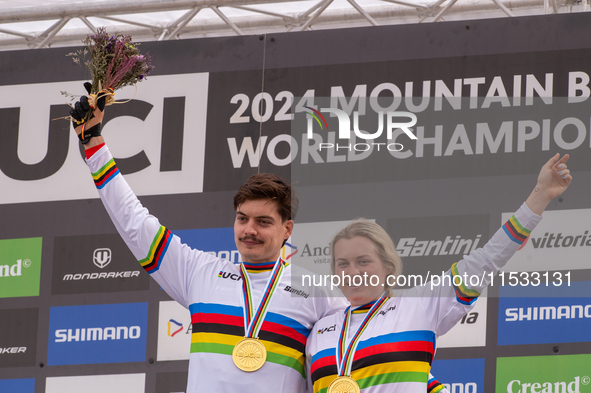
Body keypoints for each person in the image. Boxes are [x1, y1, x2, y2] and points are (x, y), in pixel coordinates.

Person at [69, 89, 347, 392]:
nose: (249, 230)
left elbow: (356, 356)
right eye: (242, 219)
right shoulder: (199, 273)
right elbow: (133, 222)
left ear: (287, 229)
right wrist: (93, 142)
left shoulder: (319, 293)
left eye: (263, 222)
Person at [306, 154, 572, 393]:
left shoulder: (417, 307)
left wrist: (541, 195)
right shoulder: (320, 330)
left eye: (363, 261)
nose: (353, 272)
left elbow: (486, 260)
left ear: (388, 268)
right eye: (343, 264)